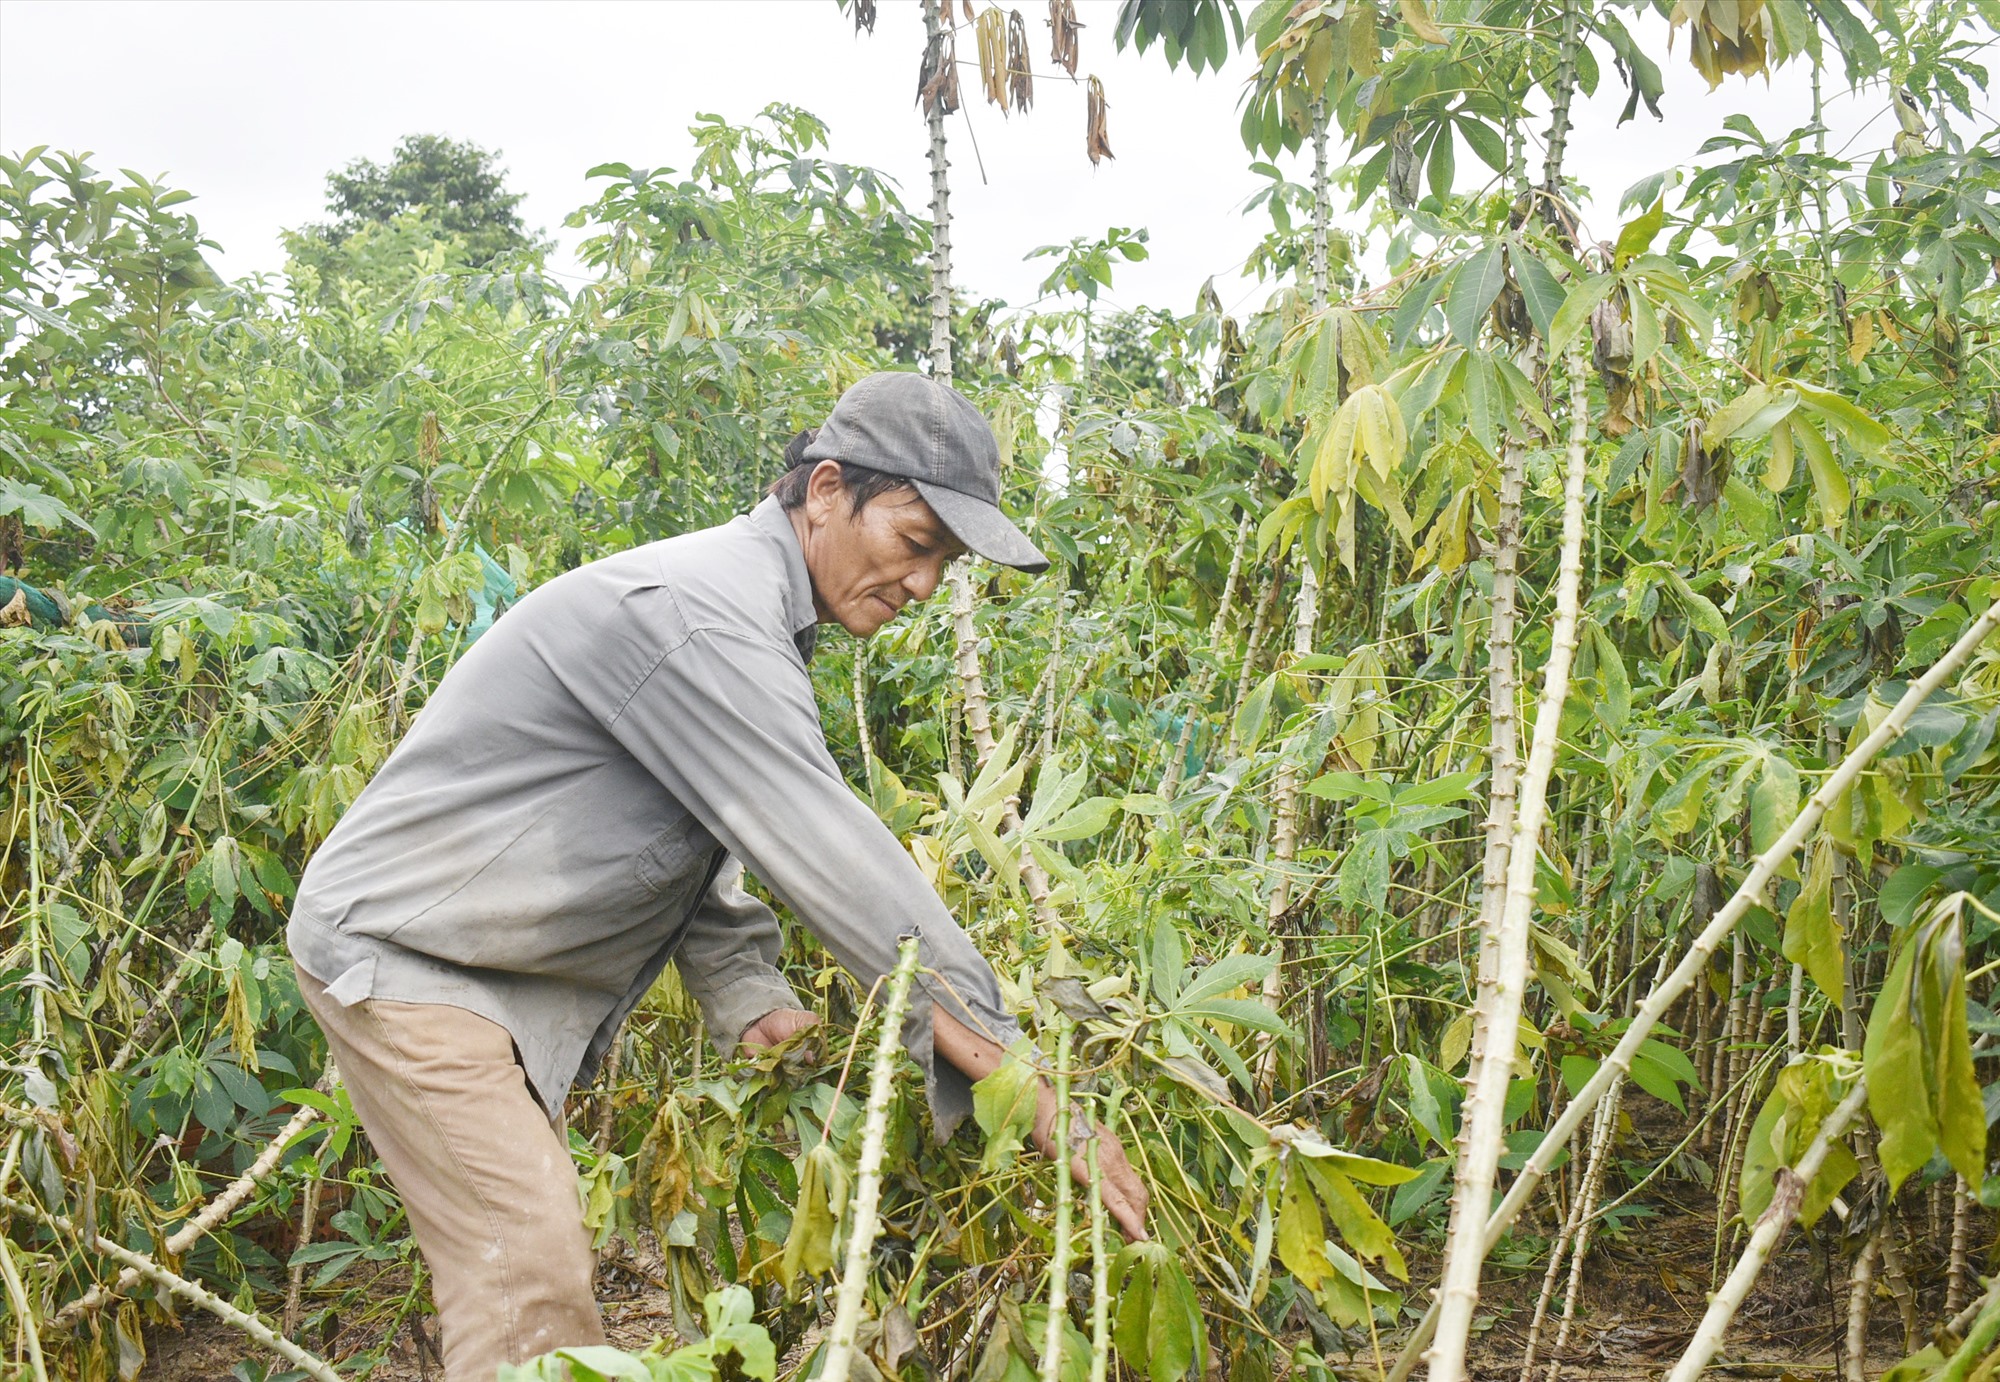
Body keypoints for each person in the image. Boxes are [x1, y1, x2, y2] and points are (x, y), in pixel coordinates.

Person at [285, 371, 1149, 1380]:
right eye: (916, 544)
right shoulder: (702, 612)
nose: (923, 585)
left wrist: (749, 994)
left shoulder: (751, 611)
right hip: (408, 955)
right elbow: (821, 842)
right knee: (528, 1272)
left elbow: (697, 828)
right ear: (825, 489)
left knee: (527, 1251)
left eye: (942, 562)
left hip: (478, 957)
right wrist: (1014, 1070)